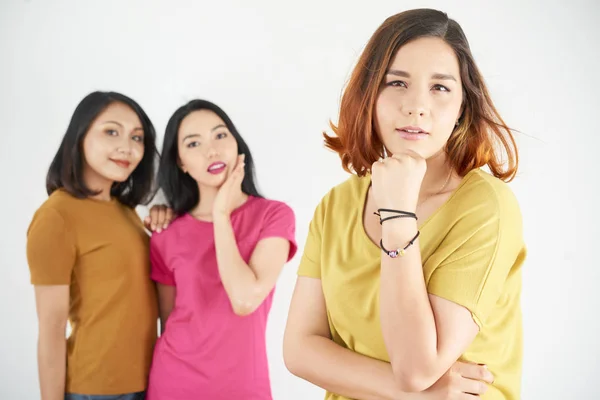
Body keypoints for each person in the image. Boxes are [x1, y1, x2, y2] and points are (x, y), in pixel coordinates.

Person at [283, 8, 525, 400]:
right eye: (397, 82)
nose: (416, 105)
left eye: (440, 87)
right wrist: (418, 396)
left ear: (464, 104)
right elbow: (299, 349)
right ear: (370, 94)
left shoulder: (486, 207)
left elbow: (416, 367)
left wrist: (398, 213)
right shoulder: (337, 204)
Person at [146, 99, 297, 400]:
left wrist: (220, 215)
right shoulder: (166, 234)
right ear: (180, 163)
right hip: (173, 384)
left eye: (220, 135)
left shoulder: (274, 216)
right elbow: (167, 320)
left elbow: (245, 299)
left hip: (243, 388)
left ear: (235, 144)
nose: (211, 150)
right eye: (193, 143)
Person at [26, 91, 169, 400]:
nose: (127, 147)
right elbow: (51, 332)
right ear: (79, 138)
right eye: (111, 131)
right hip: (96, 390)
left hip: (151, 380)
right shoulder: (57, 216)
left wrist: (166, 222)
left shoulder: (126, 211)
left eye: (137, 137)